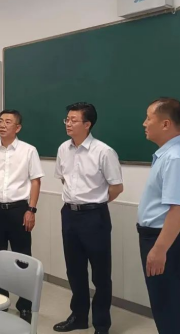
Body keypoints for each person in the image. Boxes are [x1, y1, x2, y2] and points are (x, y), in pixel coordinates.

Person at [53, 103, 124, 335]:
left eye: (73, 120)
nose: (68, 123)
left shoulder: (104, 152)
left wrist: (94, 203)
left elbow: (116, 187)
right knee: (74, 270)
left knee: (100, 274)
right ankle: (79, 316)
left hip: (95, 216)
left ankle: (102, 324)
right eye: (67, 119)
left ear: (87, 124)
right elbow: (63, 178)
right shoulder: (63, 148)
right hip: (69, 214)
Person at [0, 110, 44, 324]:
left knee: (23, 258)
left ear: (18, 127)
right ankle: (0, 300)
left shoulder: (28, 151)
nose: (2, 125)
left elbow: (35, 181)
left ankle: (25, 305)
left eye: (8, 122)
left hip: (19, 210)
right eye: (0, 121)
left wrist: (31, 210)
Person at [138, 98, 180, 334]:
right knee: (167, 310)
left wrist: (159, 249)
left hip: (167, 243)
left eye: (148, 118)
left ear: (165, 124)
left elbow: (179, 208)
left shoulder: (175, 158)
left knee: (171, 313)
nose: (144, 123)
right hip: (164, 241)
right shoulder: (169, 154)